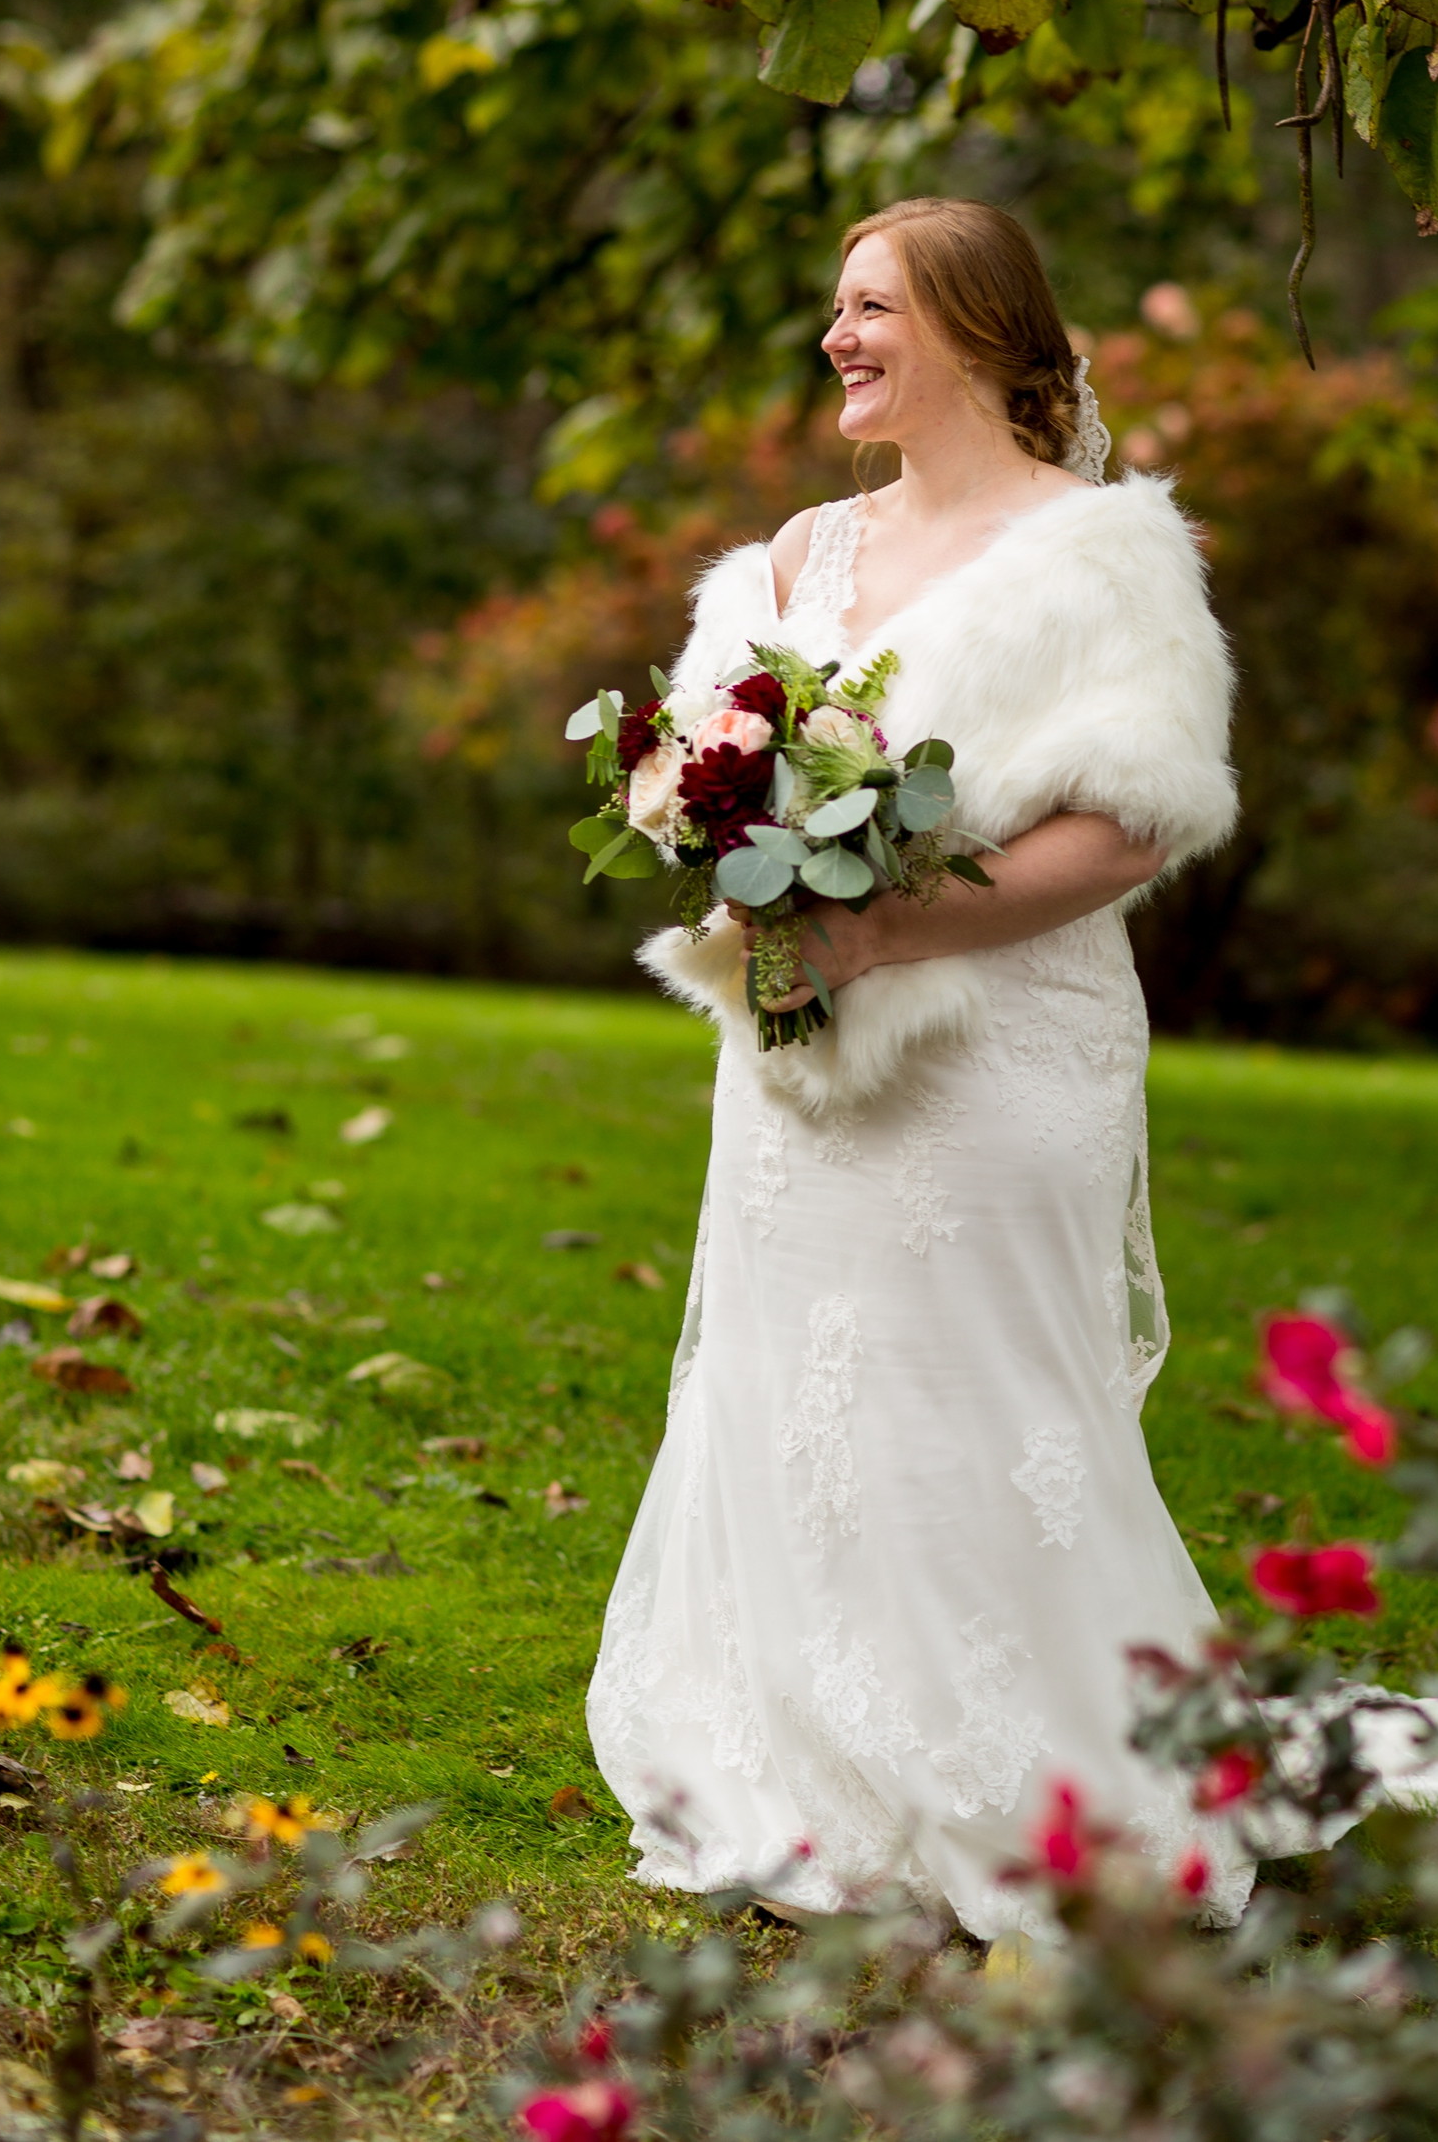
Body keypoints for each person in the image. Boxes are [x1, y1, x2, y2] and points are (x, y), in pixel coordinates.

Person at [585, 197, 1252, 1939]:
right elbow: (706, 780)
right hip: (802, 1056)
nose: (836, 337)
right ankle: (808, 1762)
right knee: (794, 1378)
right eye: (834, 305)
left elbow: (1129, 828)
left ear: (972, 325)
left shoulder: (1106, 556)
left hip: (1007, 1053)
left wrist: (891, 928)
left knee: (984, 1393)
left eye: (870, 305)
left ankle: (1047, 1772)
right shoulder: (794, 558)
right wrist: (728, 842)